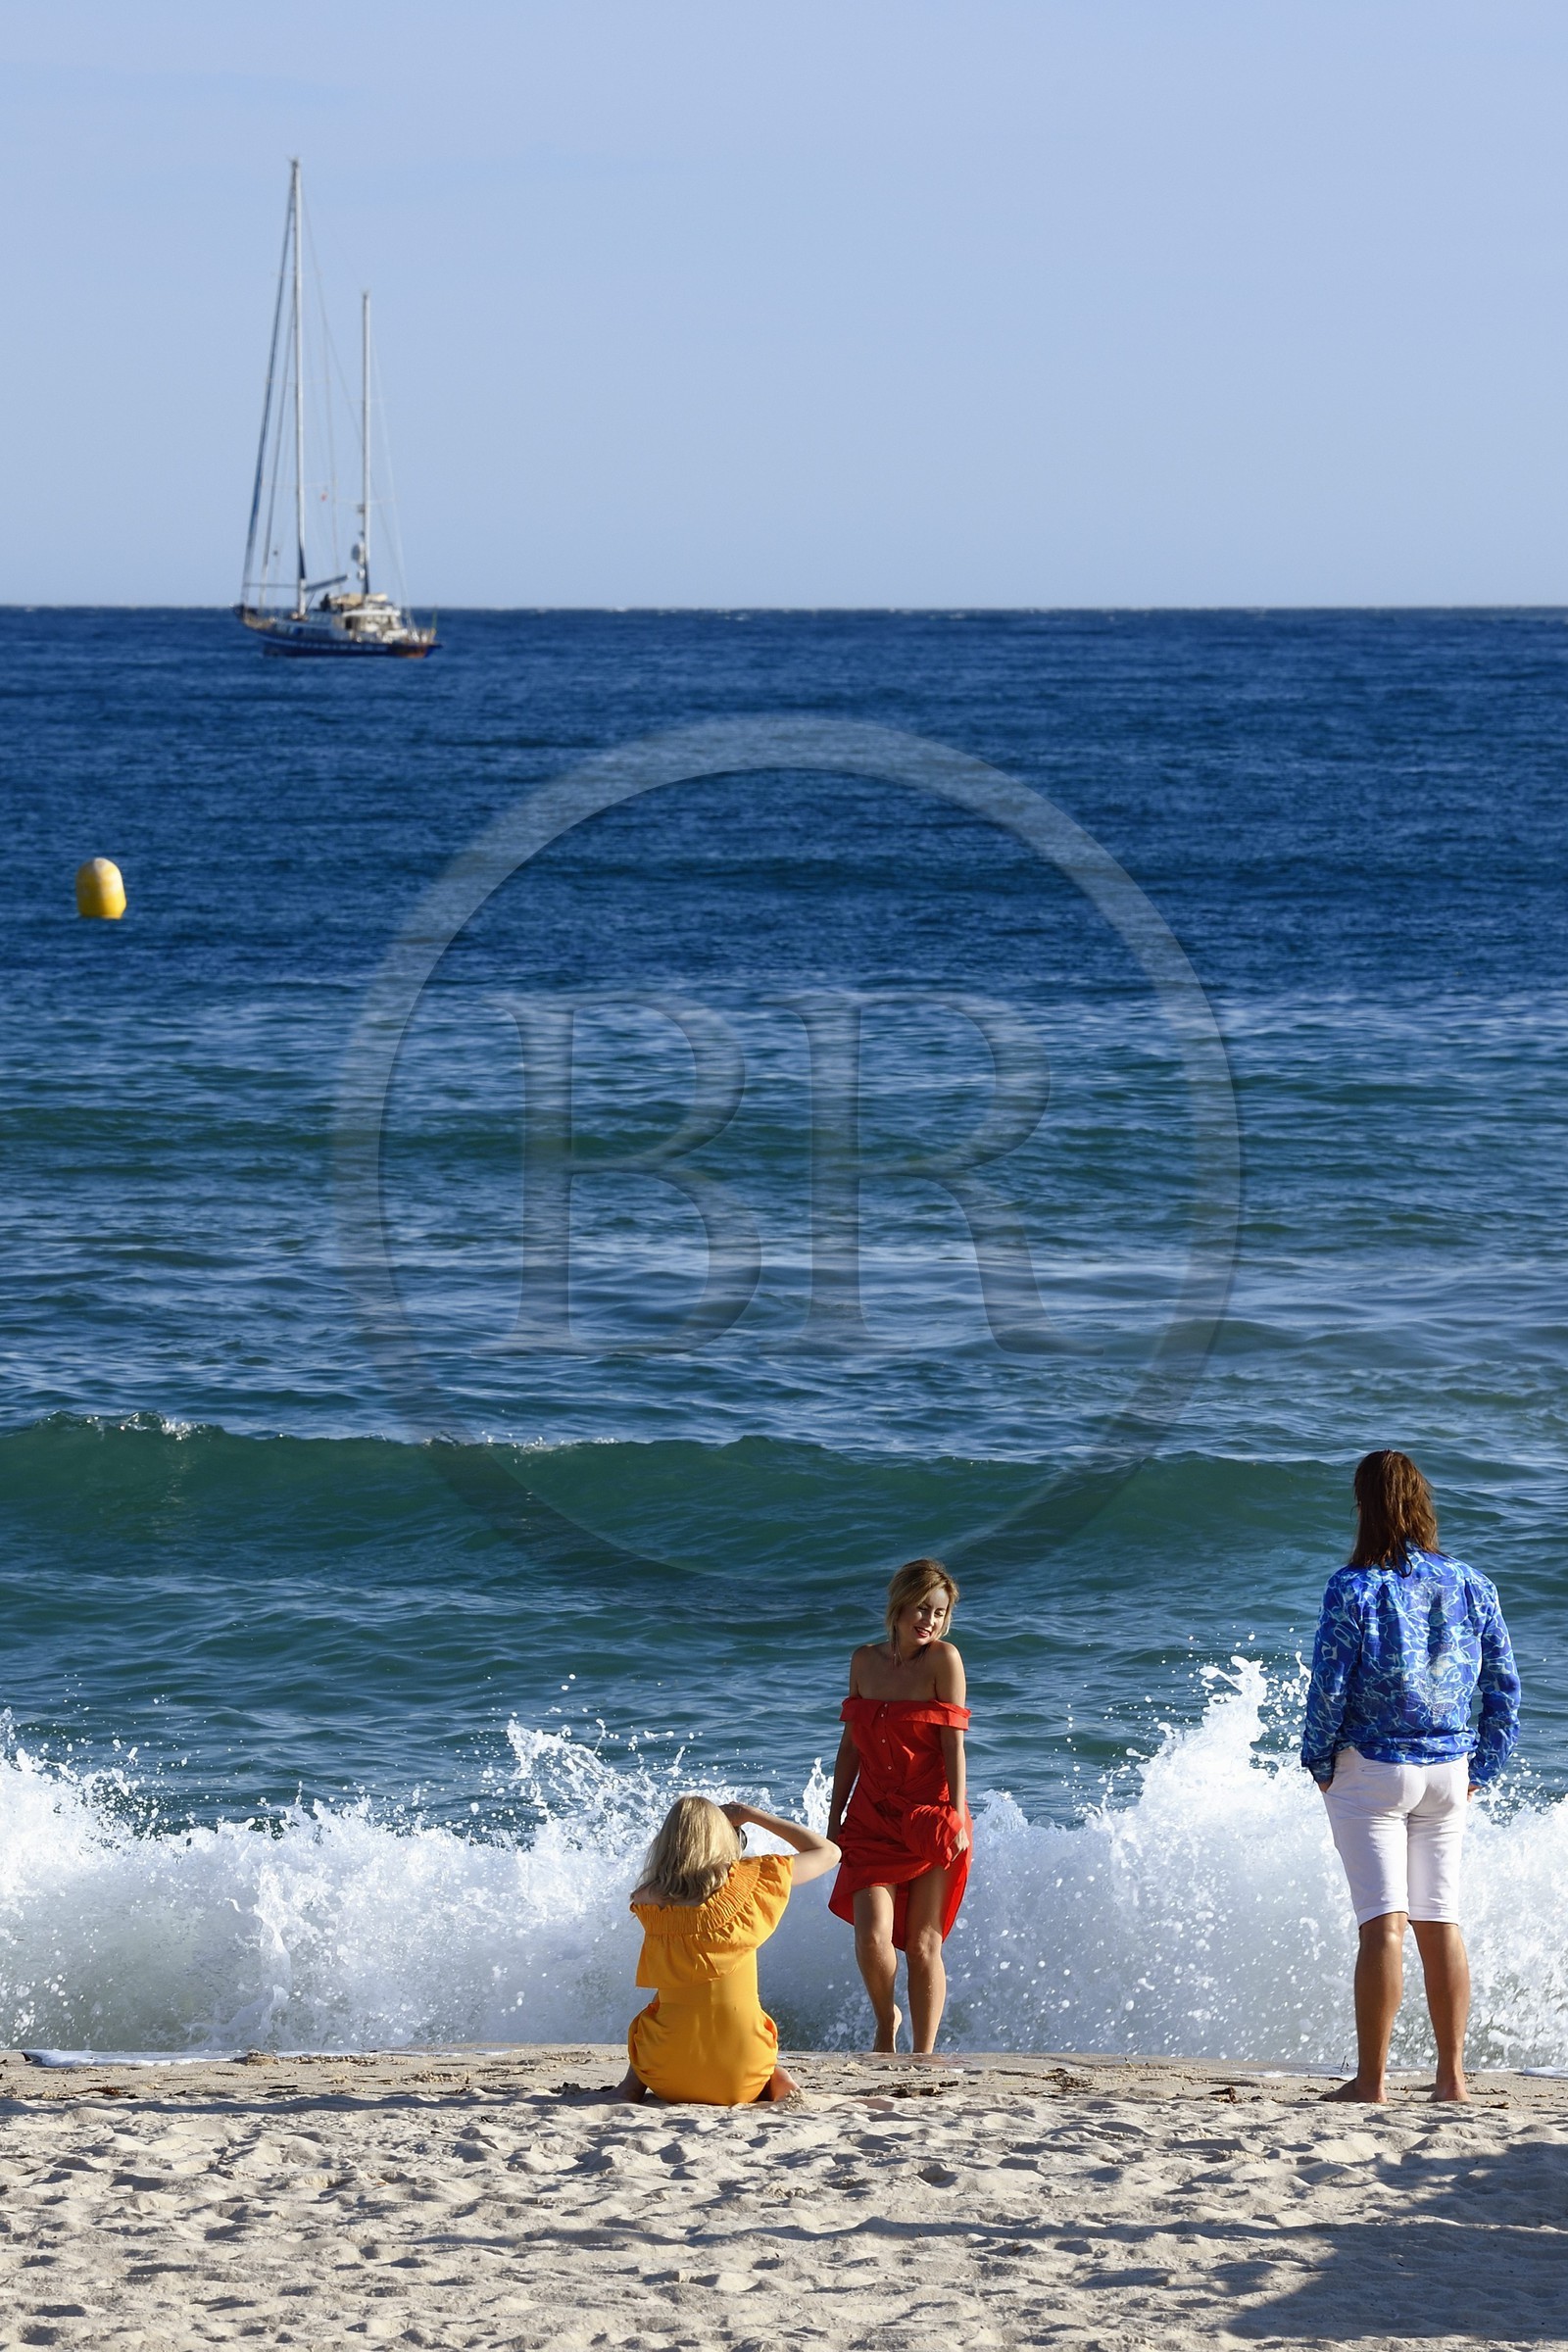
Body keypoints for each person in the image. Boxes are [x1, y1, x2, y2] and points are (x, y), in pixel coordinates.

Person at [1301, 1448, 1520, 2104]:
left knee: (1382, 1926)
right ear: (1422, 1502)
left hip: (1374, 1769)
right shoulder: (1472, 1582)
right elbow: (1504, 1689)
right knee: (1441, 1922)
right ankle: (1451, 2080)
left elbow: (1329, 1688)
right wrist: (1485, 1764)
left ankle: (1371, 2082)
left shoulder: (1354, 1586)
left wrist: (1317, 1762)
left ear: (1365, 1506)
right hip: (1450, 1772)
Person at [827, 1557, 972, 2056]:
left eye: (939, 1612)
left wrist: (956, 1814)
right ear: (898, 1604)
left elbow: (953, 1746)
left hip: (931, 1814)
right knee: (872, 1938)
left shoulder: (944, 1661)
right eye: (921, 1608)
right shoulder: (864, 1661)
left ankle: (923, 2055)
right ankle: (885, 2017)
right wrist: (833, 1819)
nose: (929, 1621)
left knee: (924, 1944)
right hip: (871, 1815)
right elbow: (851, 1745)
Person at [617, 1794, 839, 2105]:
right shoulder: (754, 1880)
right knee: (748, 2021)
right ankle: (780, 2079)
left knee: (659, 2007)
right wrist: (752, 1814)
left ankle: (629, 2088)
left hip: (666, 2076)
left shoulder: (646, 1899)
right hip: (743, 2077)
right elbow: (829, 1852)